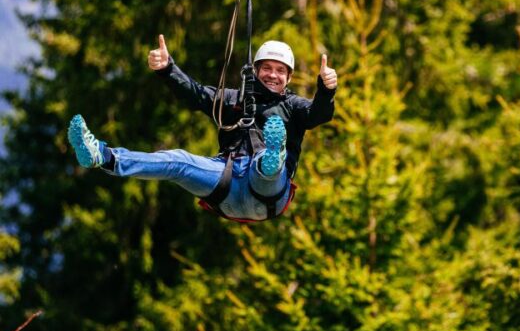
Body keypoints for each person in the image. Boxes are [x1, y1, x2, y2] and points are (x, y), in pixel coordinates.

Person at [67, 35, 338, 222]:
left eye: (280, 70)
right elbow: (196, 95)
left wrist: (326, 90)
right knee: (177, 162)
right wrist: (167, 69)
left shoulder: (293, 106)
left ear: (289, 77)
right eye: (266, 68)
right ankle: (103, 156)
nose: (272, 75)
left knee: (265, 166)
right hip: (227, 185)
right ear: (255, 71)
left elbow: (320, 114)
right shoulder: (233, 99)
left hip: (269, 192)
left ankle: (272, 158)